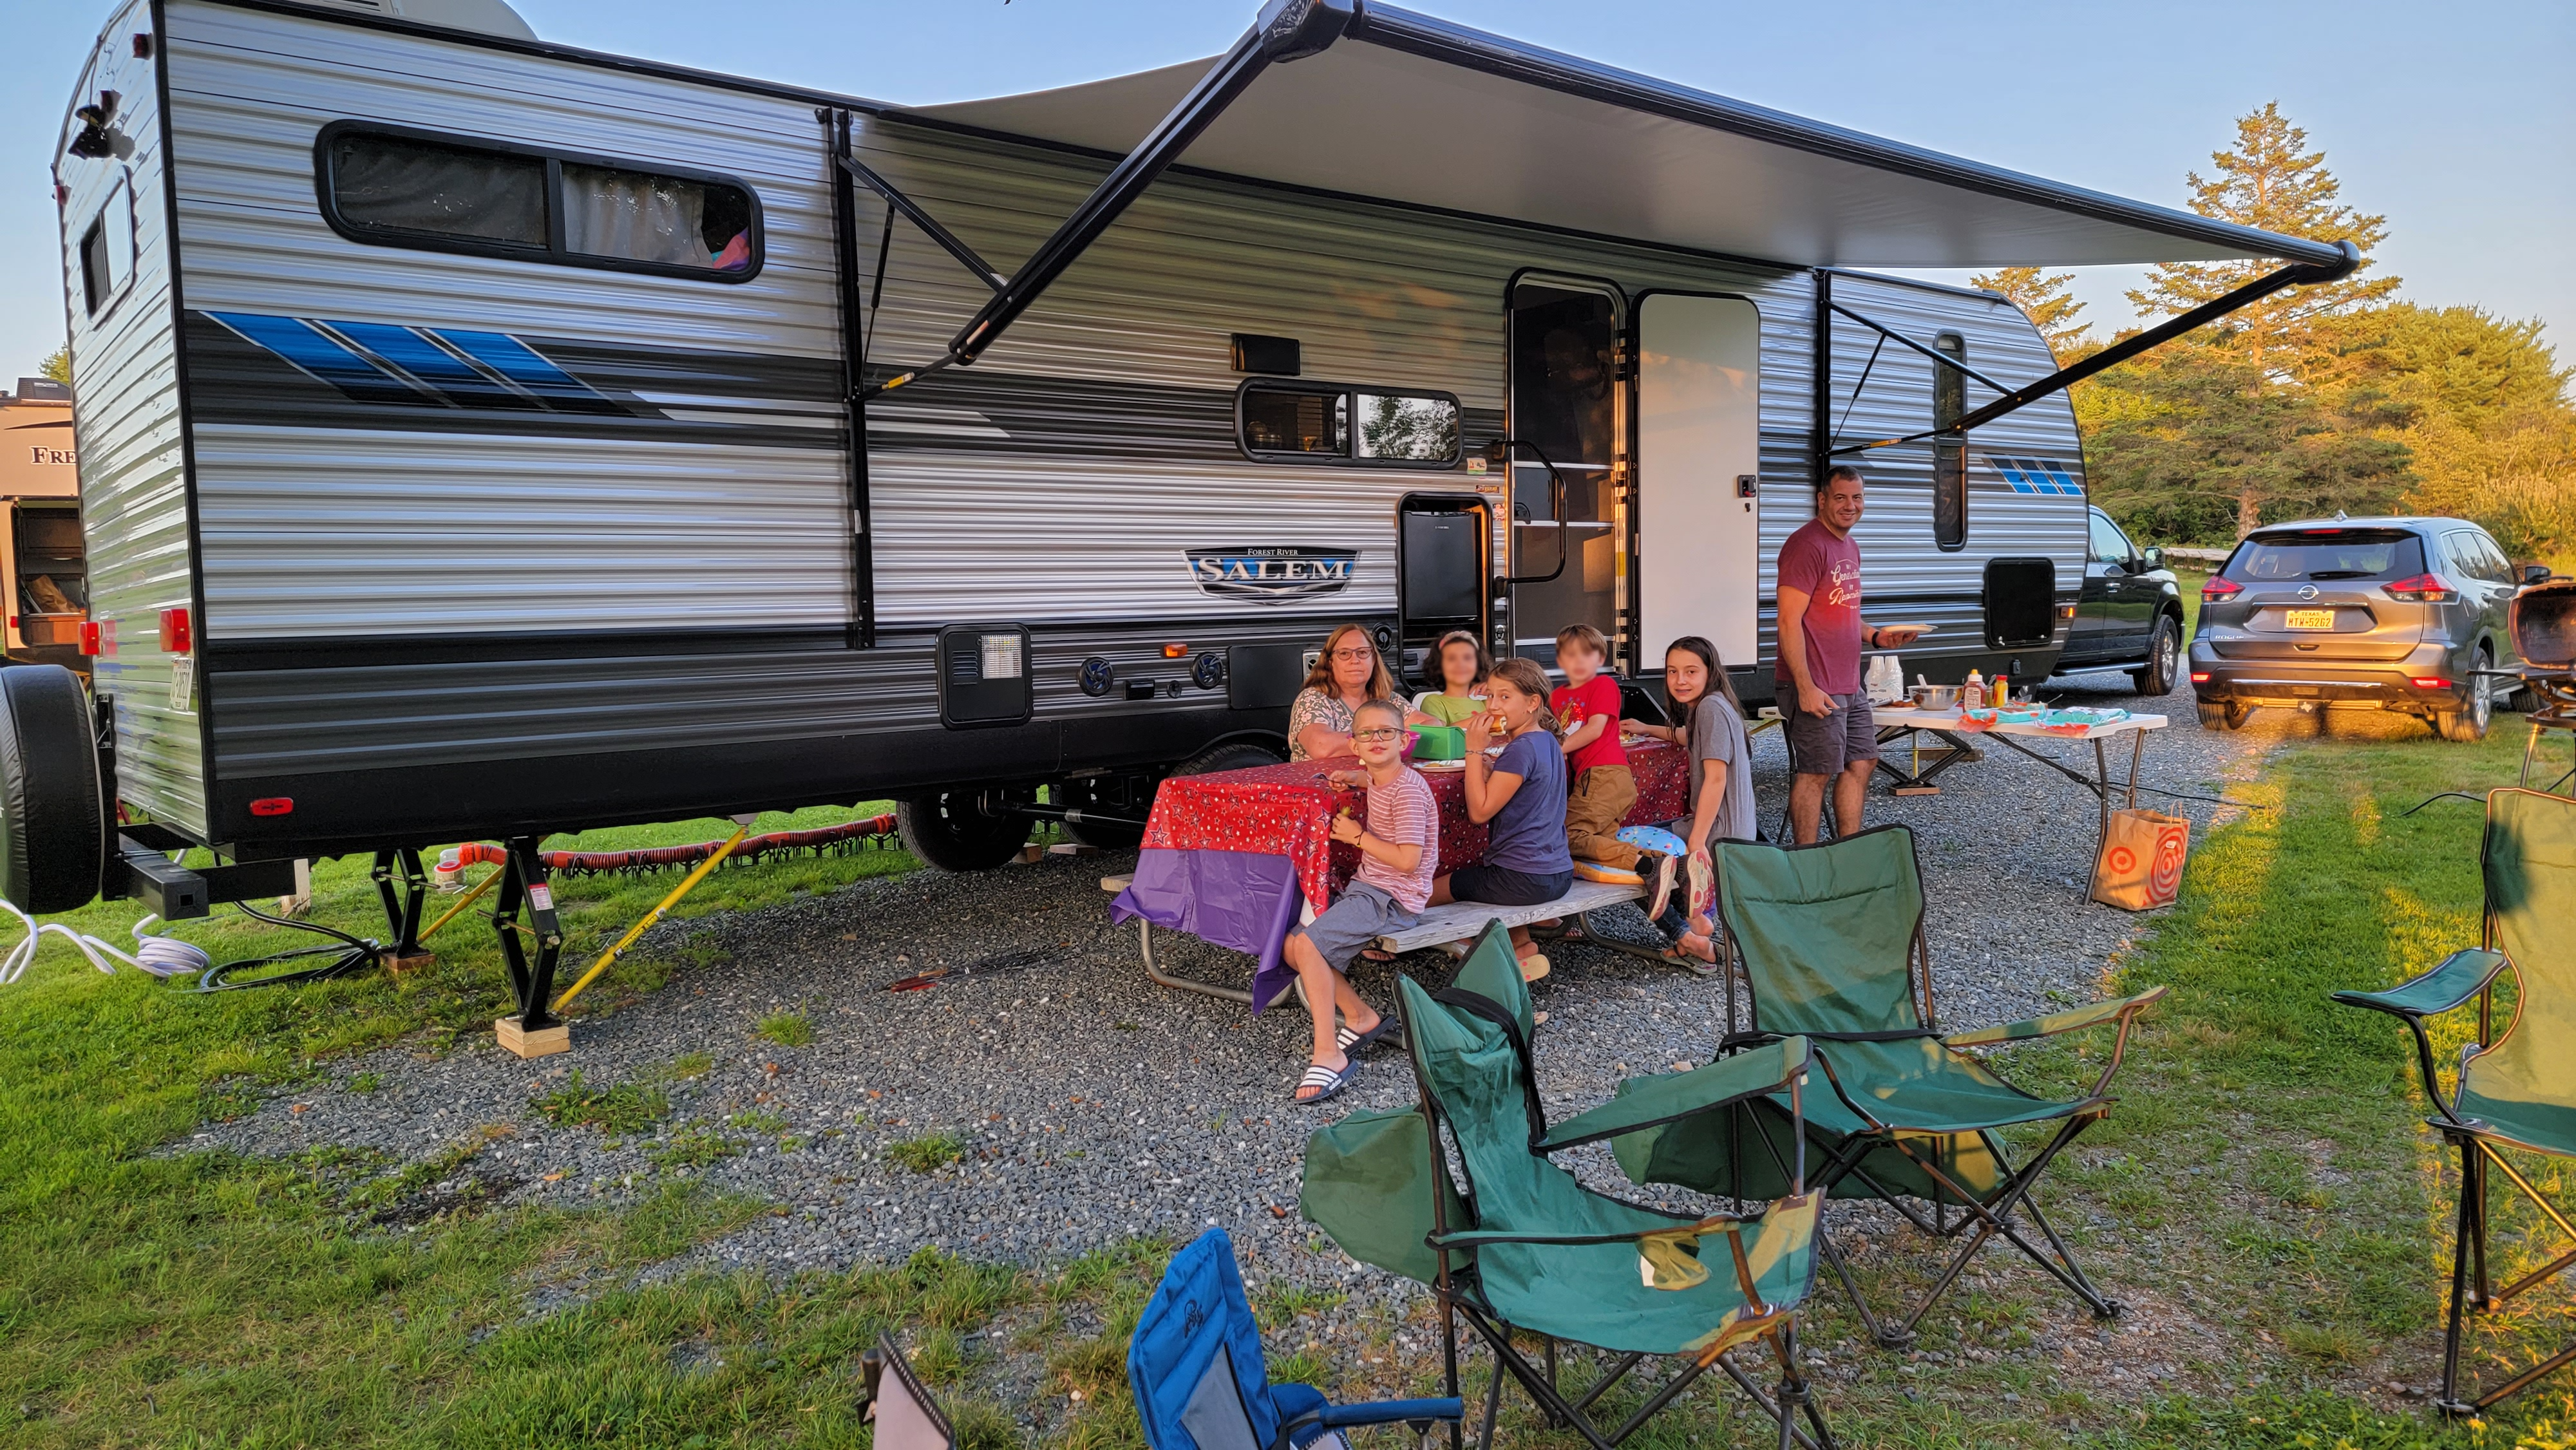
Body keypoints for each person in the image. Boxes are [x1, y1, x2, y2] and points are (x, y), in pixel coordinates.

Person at [1282, 699, 1438, 1104]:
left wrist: (1355, 836)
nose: (1376, 739)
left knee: (1309, 945)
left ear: (1404, 740)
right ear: (1354, 742)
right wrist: (1358, 776)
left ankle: (1328, 1053)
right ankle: (1361, 1016)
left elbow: (1408, 861)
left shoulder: (1406, 792)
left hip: (1393, 898)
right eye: (1366, 733)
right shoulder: (1384, 777)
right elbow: (1379, 780)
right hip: (1369, 888)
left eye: (1386, 732)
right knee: (1292, 945)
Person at [1775, 466, 1924, 843]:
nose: (1850, 506)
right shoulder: (1806, 545)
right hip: (1815, 684)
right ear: (1822, 500)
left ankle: (1847, 852)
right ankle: (1807, 863)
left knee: (1862, 761)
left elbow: (1843, 611)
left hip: (1848, 684)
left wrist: (1877, 637)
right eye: (1840, 497)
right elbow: (1788, 621)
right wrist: (1805, 687)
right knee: (1816, 772)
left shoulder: (1849, 546)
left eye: (1857, 498)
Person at [1425, 657, 1573, 981]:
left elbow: (1479, 813)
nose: (1493, 706)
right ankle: (1522, 948)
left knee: (1425, 892)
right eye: (1490, 696)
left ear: (1533, 703)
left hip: (1521, 879)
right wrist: (1490, 768)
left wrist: (1474, 751)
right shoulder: (1548, 740)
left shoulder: (1519, 749)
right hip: (1558, 873)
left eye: (1505, 697)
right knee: (1487, 882)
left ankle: (1479, 951)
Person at [1622, 636, 1755, 964]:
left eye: (1691, 671)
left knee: (1626, 853)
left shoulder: (1709, 708)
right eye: (1672, 672)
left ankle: (1689, 930)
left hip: (1716, 829)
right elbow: (1687, 737)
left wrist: (1697, 842)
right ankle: (1693, 903)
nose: (1680, 680)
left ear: (1710, 672)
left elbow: (1716, 778)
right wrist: (1647, 728)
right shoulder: (1712, 705)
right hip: (1733, 825)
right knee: (1649, 840)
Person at [1548, 625, 1674, 910]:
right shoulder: (1556, 697)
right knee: (1598, 849)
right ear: (1560, 659)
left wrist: (1553, 750)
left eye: (1587, 654)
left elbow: (1594, 730)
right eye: (1570, 654)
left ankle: (1647, 863)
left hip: (1605, 774)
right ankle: (1666, 869)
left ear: (1600, 657)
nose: (1579, 661)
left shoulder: (1603, 685)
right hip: (1588, 779)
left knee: (1565, 836)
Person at [1287, 623, 1397, 762]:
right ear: (1330, 662)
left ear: (1374, 660)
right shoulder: (1312, 699)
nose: (1355, 660)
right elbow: (1322, 747)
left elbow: (1431, 726)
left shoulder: (1387, 698)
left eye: (1362, 653)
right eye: (1344, 654)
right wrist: (1388, 737)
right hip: (1321, 783)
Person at [1408, 629, 1491, 727]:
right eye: (1451, 658)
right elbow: (1442, 735)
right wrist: (1487, 716)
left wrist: (1496, 693)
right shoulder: (1434, 702)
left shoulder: (1488, 704)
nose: (1461, 664)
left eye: (1468, 658)